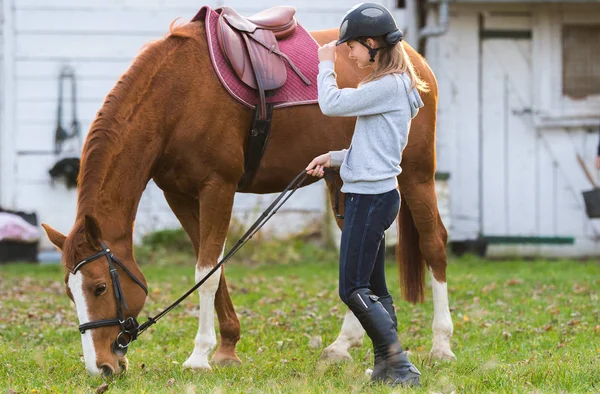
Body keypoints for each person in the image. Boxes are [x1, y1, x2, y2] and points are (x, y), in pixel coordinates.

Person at [305, 3, 429, 387]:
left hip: (370, 198)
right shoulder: (393, 85)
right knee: (374, 287)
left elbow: (331, 103)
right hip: (374, 193)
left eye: (352, 46)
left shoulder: (387, 85)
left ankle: (400, 364)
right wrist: (336, 157)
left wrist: (325, 63)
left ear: (373, 43)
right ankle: (386, 366)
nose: (348, 53)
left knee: (352, 288)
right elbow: (377, 144)